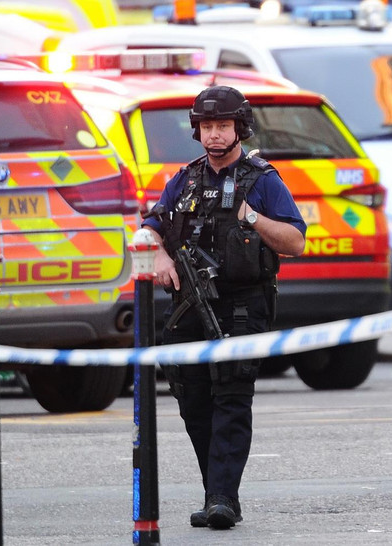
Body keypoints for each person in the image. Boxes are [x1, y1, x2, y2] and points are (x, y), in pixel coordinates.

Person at [140, 85, 306, 529]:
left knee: (231, 397)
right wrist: (157, 254)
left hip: (241, 305)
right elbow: (150, 226)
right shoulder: (186, 179)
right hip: (187, 308)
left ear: (240, 128)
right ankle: (215, 490)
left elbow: (296, 241)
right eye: (206, 127)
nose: (214, 135)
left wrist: (253, 218)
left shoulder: (262, 179)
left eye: (222, 126)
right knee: (193, 401)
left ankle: (223, 499)